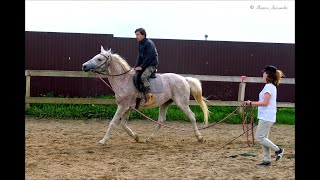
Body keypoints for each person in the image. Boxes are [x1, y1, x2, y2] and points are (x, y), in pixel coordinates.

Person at [244, 65, 285, 166]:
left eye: (264, 72)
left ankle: (278, 150)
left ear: (268, 74)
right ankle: (267, 160)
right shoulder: (271, 86)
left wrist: (251, 103)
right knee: (264, 137)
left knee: (260, 137)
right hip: (267, 116)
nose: (263, 74)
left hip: (266, 116)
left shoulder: (268, 87)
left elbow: (265, 103)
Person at [134, 28, 159, 107]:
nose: (136, 36)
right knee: (135, 76)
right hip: (144, 65)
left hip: (151, 65)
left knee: (143, 77)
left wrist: (141, 67)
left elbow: (149, 57)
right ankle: (138, 98)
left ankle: (151, 98)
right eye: (136, 35)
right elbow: (140, 57)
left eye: (138, 34)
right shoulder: (140, 44)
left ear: (143, 35)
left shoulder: (149, 43)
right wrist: (136, 66)